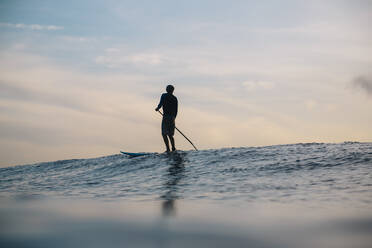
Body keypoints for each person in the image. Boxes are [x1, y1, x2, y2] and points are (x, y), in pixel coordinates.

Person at [155, 85, 178, 152]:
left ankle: (168, 149)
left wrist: (157, 108)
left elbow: (161, 103)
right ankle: (173, 148)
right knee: (170, 135)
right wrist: (173, 119)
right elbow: (176, 110)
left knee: (164, 134)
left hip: (166, 117)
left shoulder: (164, 95)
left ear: (167, 90)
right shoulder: (175, 98)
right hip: (172, 118)